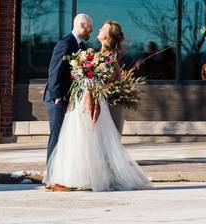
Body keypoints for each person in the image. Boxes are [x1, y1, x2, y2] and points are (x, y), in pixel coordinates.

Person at [45, 20, 151, 192]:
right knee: (76, 138)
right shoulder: (94, 52)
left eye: (103, 28)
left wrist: (95, 86)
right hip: (81, 100)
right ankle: (70, 177)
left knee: (87, 138)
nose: (99, 29)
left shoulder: (109, 56)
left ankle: (82, 178)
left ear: (108, 36)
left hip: (93, 99)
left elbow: (114, 79)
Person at [43, 13, 91, 164]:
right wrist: (57, 95)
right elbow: (54, 71)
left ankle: (61, 172)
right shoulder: (65, 43)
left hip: (69, 98)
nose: (91, 30)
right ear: (81, 25)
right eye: (89, 27)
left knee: (67, 137)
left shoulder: (82, 46)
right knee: (57, 137)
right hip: (57, 98)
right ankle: (51, 174)